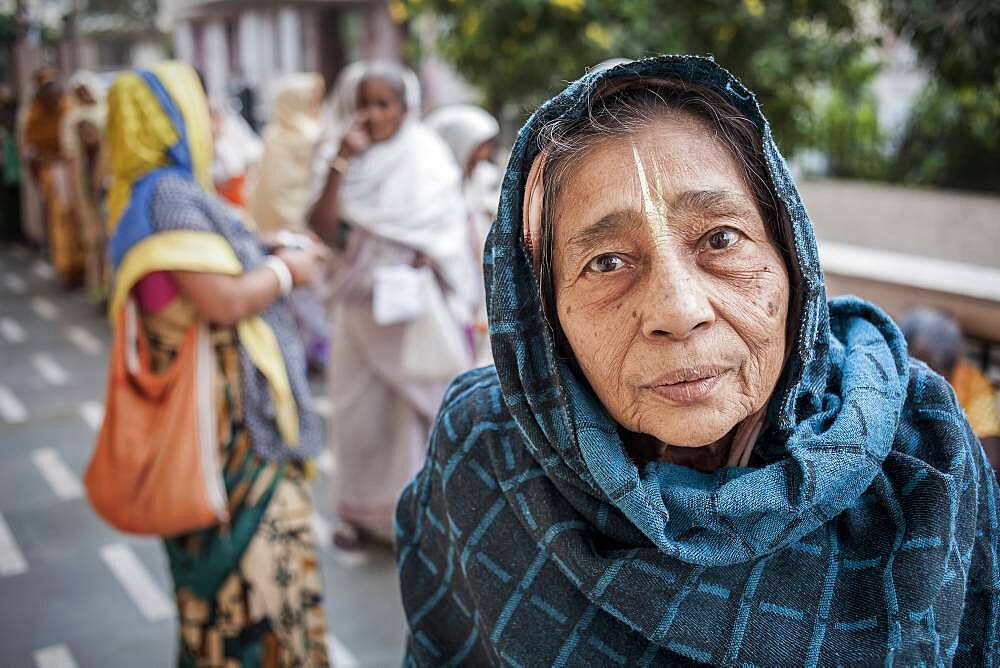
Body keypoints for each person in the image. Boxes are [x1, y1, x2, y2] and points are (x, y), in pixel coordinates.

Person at [395, 56, 1000, 665]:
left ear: (789, 253)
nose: (679, 311)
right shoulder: (486, 449)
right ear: (545, 313)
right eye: (606, 261)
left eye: (720, 239)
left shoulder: (921, 449)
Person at [104, 62, 330, 665]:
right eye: (199, 104)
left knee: (231, 587)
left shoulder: (147, 193)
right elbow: (222, 301)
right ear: (167, 117)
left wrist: (267, 251)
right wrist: (288, 272)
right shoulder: (169, 195)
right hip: (230, 434)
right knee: (259, 582)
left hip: (221, 423)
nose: (211, 117)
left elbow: (212, 273)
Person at [308, 61, 474, 550]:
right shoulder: (341, 157)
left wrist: (422, 257)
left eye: (383, 104)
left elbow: (448, 234)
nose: (372, 115)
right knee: (359, 413)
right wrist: (341, 162)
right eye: (364, 104)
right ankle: (361, 514)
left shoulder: (426, 158)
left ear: (406, 108)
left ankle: (427, 512)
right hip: (359, 309)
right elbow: (322, 230)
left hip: (414, 308)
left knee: (418, 411)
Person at [425, 104, 501, 363]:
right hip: (442, 291)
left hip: (474, 287)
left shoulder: (478, 183)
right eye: (480, 146)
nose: (486, 154)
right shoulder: (433, 193)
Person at [900, 307, 1000, 475]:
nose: (916, 376)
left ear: (950, 370)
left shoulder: (974, 387)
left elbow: (990, 465)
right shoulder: (897, 374)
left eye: (926, 368)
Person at [23, 70, 81, 285]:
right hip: (51, 172)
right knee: (59, 220)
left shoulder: (69, 109)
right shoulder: (34, 115)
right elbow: (31, 149)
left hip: (72, 169)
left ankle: (81, 264)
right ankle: (66, 266)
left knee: (78, 218)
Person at [62, 71, 107, 301]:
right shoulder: (73, 121)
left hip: (105, 192)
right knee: (93, 242)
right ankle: (97, 289)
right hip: (86, 190)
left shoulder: (105, 116)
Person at [0, 85, 22, 243]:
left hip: (11, 164)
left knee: (13, 199)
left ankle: (14, 231)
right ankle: (7, 232)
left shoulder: (11, 112)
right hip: (4, 165)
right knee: (6, 200)